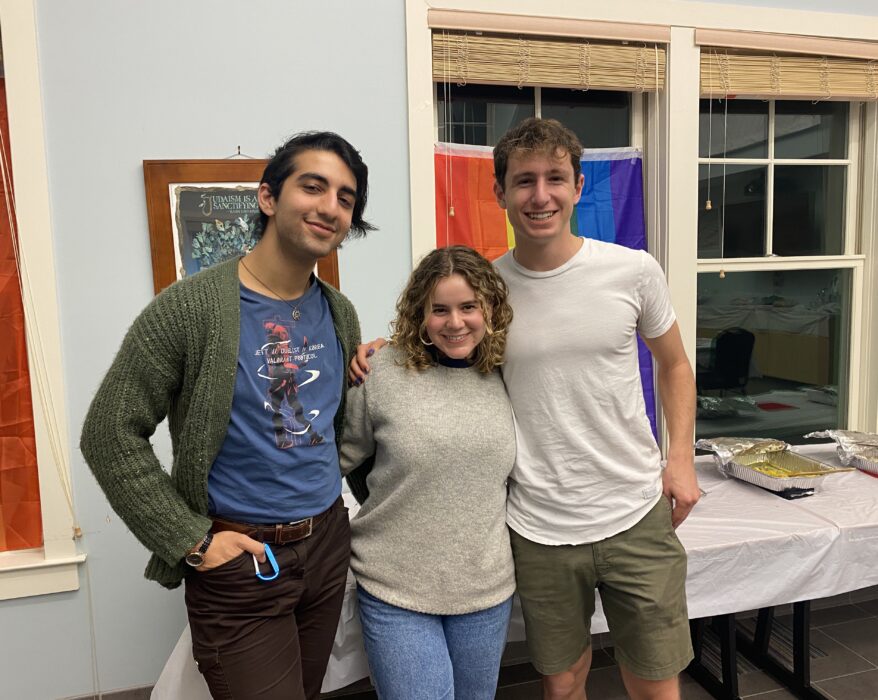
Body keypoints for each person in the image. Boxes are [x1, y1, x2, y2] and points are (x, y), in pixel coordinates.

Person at [352, 118, 700, 700]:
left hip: (635, 508)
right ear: (500, 193)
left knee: (654, 682)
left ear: (578, 186)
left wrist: (681, 460)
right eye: (524, 181)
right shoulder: (489, 291)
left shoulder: (634, 271)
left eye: (555, 178)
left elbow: (676, 366)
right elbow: (443, 340)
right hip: (538, 524)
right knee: (562, 683)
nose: (541, 196)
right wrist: (383, 351)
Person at [81, 131, 373, 700]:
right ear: (268, 197)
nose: (330, 207)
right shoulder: (189, 309)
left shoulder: (340, 313)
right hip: (243, 564)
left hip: (326, 545)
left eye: (345, 198)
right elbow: (109, 432)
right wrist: (192, 541)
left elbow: (330, 428)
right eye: (313, 186)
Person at [341, 245, 516, 700]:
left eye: (468, 307)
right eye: (439, 309)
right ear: (420, 312)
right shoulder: (381, 372)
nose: (455, 322)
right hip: (396, 586)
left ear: (490, 308)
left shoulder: (509, 372)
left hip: (484, 589)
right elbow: (335, 460)